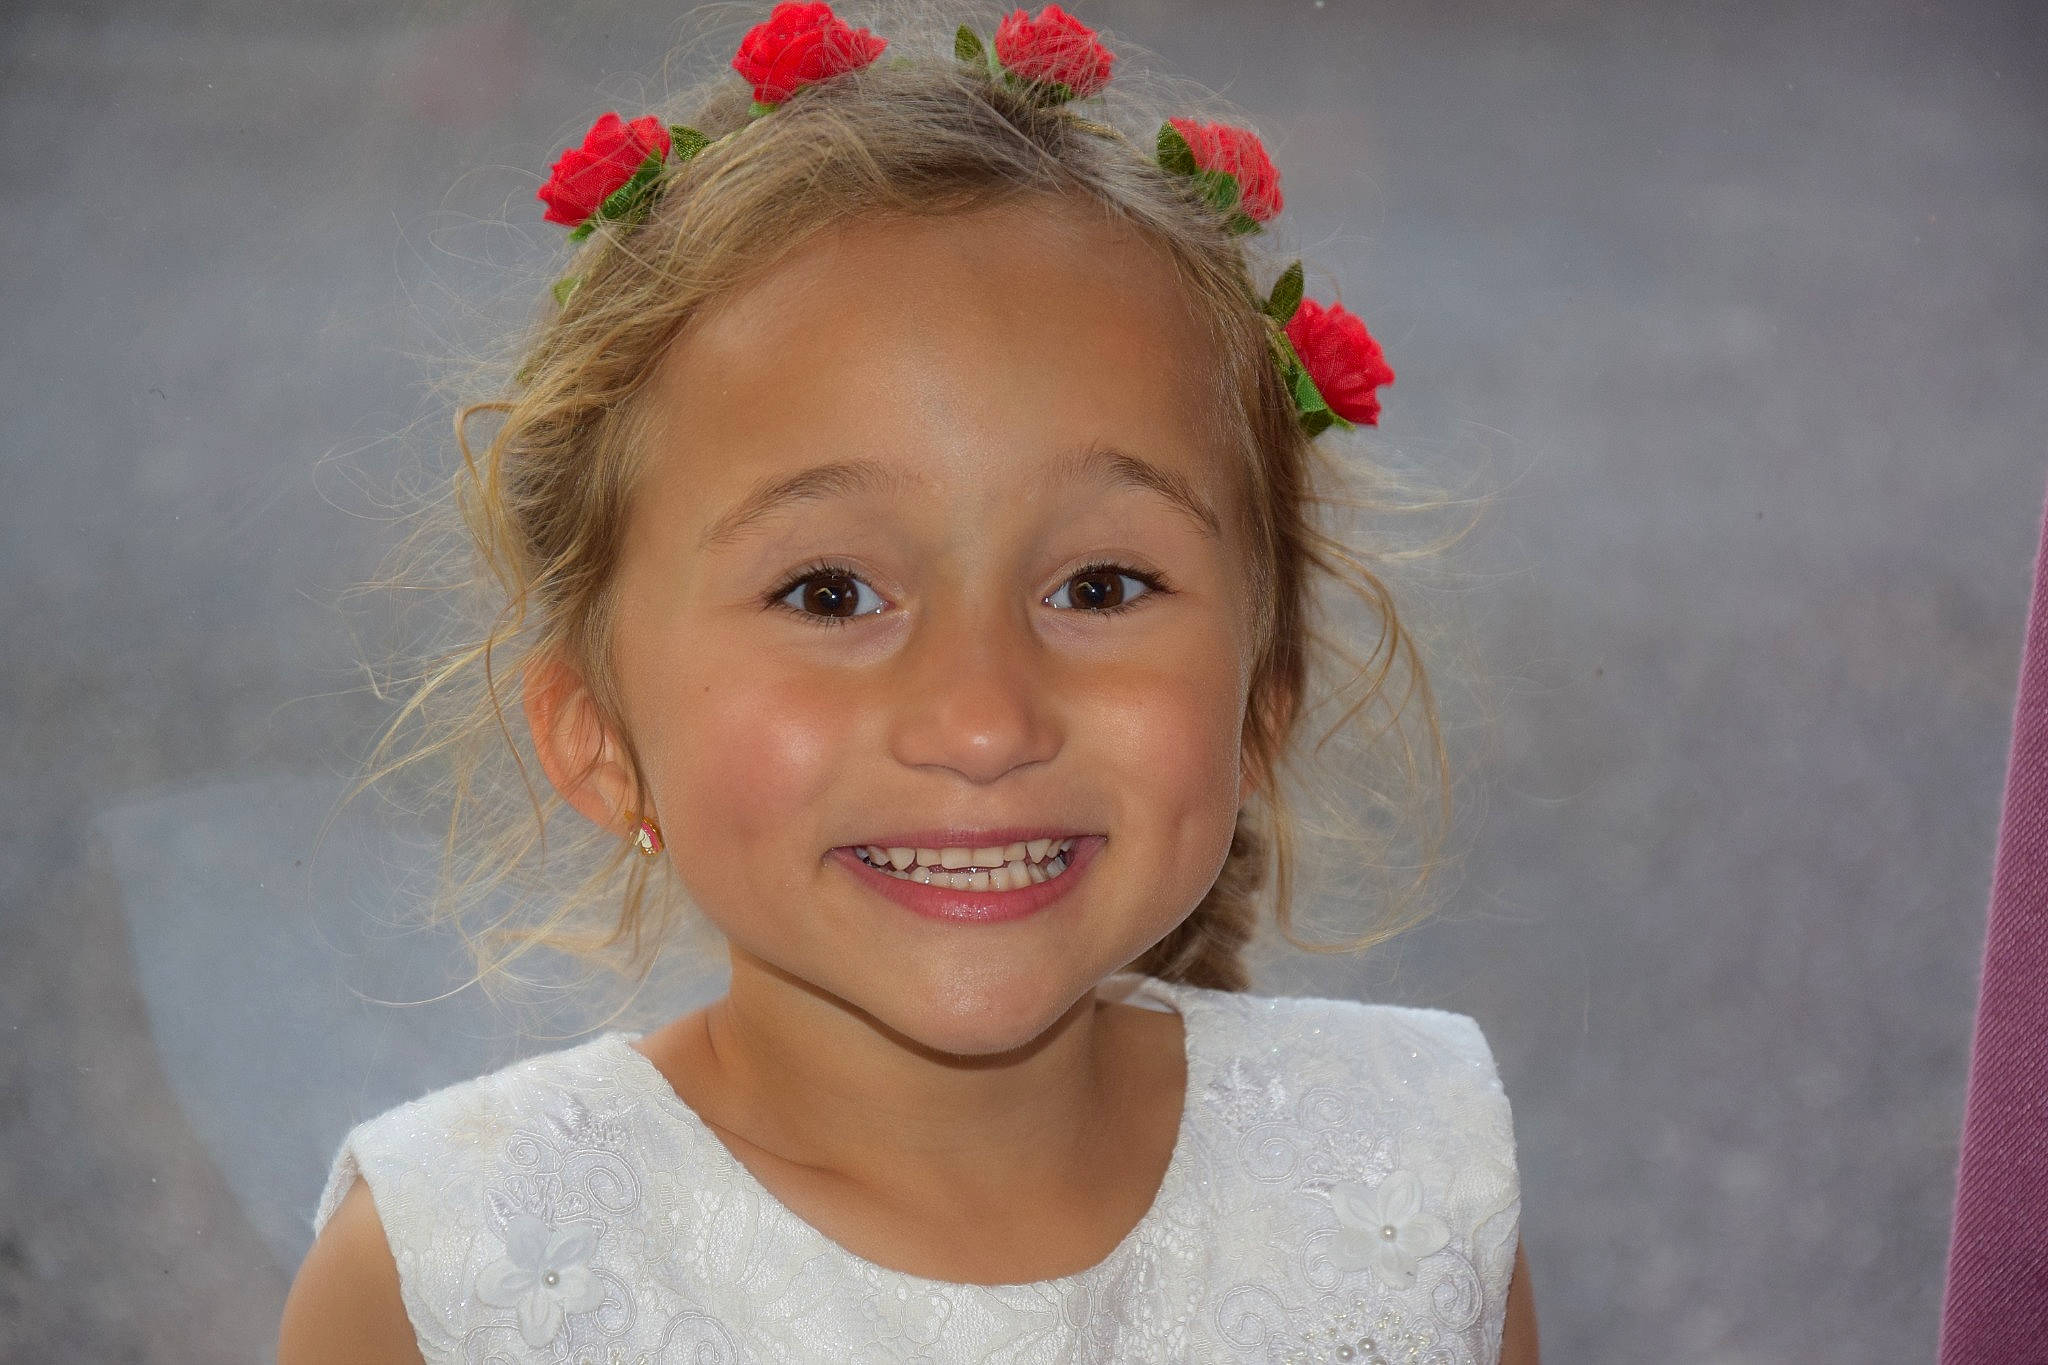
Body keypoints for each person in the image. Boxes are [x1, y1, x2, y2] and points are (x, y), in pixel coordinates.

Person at [277, 3, 1538, 1360]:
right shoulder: (453, 1278)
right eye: (829, 593)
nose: (984, 718)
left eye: (1100, 587)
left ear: (1262, 695)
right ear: (599, 736)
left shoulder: (1416, 1194)